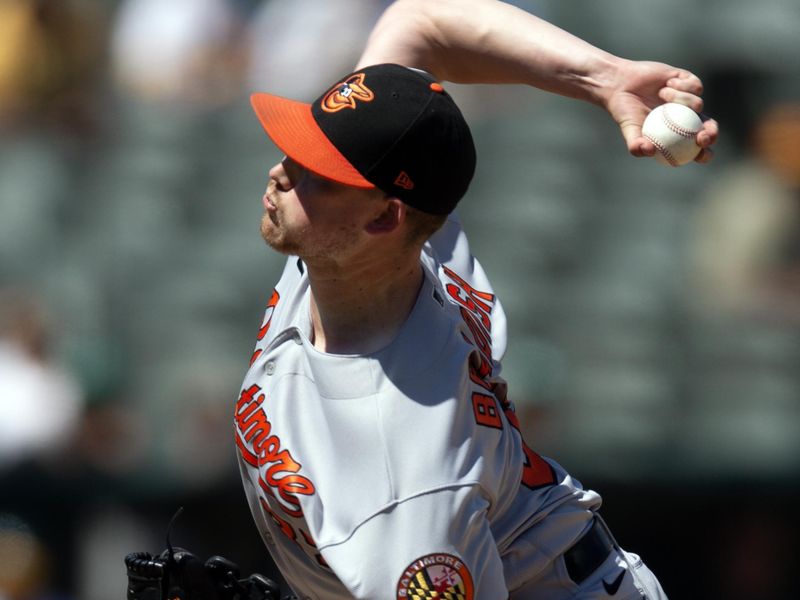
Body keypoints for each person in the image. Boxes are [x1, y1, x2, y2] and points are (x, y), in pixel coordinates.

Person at [235, 1, 718, 599]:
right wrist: (605, 78)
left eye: (318, 172)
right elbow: (419, 21)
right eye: (298, 149)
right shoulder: (388, 250)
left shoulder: (406, 467)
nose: (284, 172)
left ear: (385, 218)